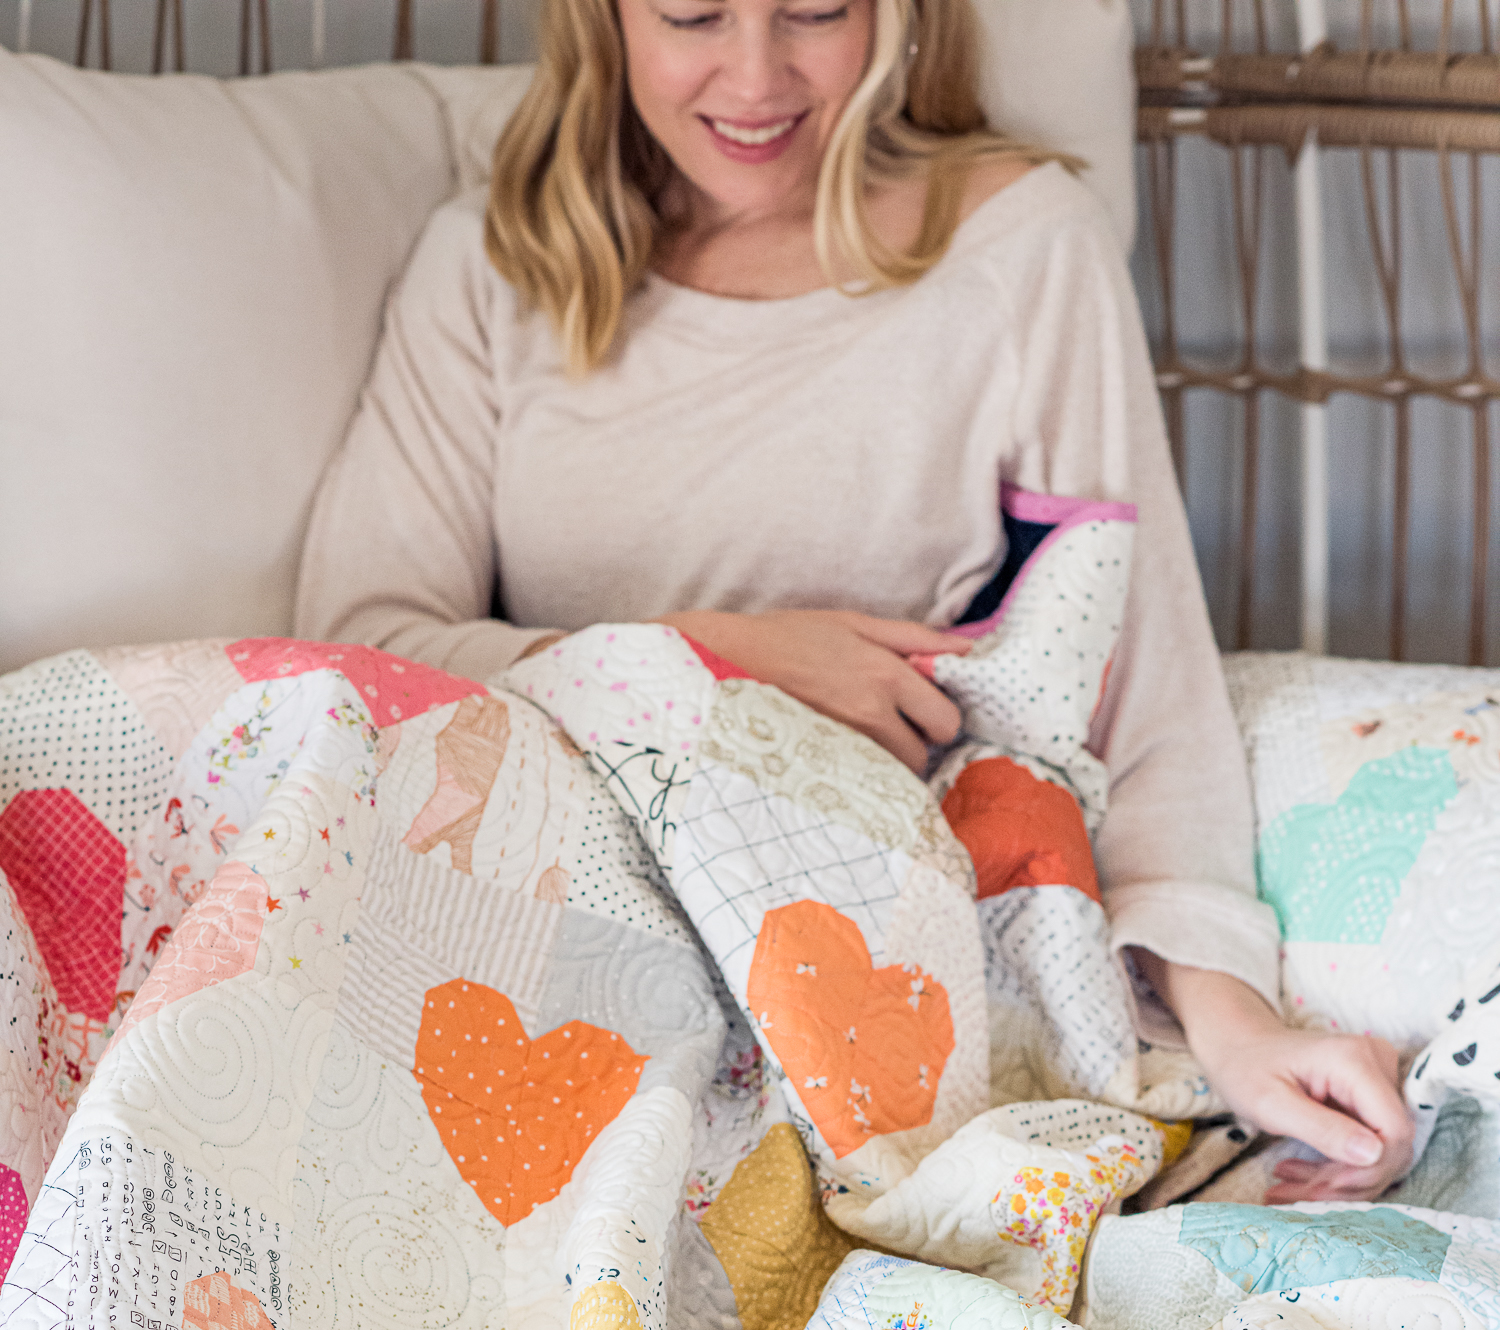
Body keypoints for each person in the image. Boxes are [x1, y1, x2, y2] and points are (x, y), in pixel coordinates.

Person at [295, 0, 1413, 1202]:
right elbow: (361, 653)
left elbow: (1144, 700)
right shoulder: (495, 266)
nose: (756, 74)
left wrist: (1236, 1029)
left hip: (892, 979)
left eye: (815, 10)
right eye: (694, 14)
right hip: (559, 952)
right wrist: (725, 657)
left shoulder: (1023, 245)